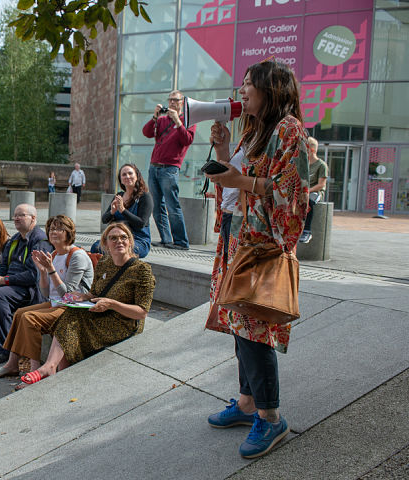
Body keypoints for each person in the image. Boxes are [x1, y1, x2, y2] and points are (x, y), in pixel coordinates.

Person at [204, 60, 310, 459]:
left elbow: (291, 190)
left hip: (261, 243)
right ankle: (248, 404)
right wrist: (221, 149)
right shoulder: (255, 129)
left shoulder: (289, 130)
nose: (242, 88)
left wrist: (241, 181)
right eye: (243, 82)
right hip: (237, 235)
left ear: (273, 88)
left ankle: (271, 417)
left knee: (253, 327)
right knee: (239, 321)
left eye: (250, 83)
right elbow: (235, 179)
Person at [19, 223, 154, 389]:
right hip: (102, 313)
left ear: (130, 242)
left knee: (72, 320)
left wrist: (111, 304)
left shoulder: (142, 270)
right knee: (71, 313)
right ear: (106, 243)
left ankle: (50, 368)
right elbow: (95, 293)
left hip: (125, 322)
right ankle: (55, 371)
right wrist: (83, 296)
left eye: (123, 237)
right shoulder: (105, 263)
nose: (119, 241)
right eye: (113, 238)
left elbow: (142, 312)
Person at [0, 215, 94, 379]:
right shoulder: (53, 254)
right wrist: (44, 274)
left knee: (29, 318)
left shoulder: (76, 256)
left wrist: (51, 270)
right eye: (52, 228)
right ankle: (12, 363)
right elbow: (46, 293)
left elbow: (68, 295)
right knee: (19, 314)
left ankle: (34, 368)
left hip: (73, 308)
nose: (54, 232)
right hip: (56, 303)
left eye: (59, 228)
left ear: (69, 233)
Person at [0, 204, 51, 365]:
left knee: (0, 295)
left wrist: (3, 280)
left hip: (30, 289)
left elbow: (34, 275)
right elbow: (5, 265)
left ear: (33, 218)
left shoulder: (40, 241)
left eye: (21, 215)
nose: (16, 218)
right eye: (15, 215)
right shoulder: (15, 240)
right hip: (12, 282)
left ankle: (4, 350)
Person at [142, 90, 196, 250]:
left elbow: (187, 139)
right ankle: (165, 239)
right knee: (157, 206)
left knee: (172, 206)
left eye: (175, 100)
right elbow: (146, 133)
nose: (172, 103)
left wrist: (178, 122)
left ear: (182, 102)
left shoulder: (188, 121)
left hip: (170, 169)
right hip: (154, 167)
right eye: (170, 100)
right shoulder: (163, 120)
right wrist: (155, 116)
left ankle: (181, 242)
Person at [91, 163, 154, 258]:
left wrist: (123, 210)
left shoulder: (144, 197)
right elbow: (104, 220)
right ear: (121, 180)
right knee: (96, 247)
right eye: (124, 175)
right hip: (117, 238)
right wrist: (112, 212)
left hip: (137, 240)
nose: (127, 176)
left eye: (130, 173)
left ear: (137, 176)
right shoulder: (119, 195)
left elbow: (141, 223)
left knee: (118, 250)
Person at [300, 137, 328, 244]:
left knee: (309, 201)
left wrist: (307, 192)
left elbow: (321, 184)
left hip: (315, 192)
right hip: (304, 191)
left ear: (312, 150)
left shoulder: (321, 165)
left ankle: (307, 231)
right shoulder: (303, 164)